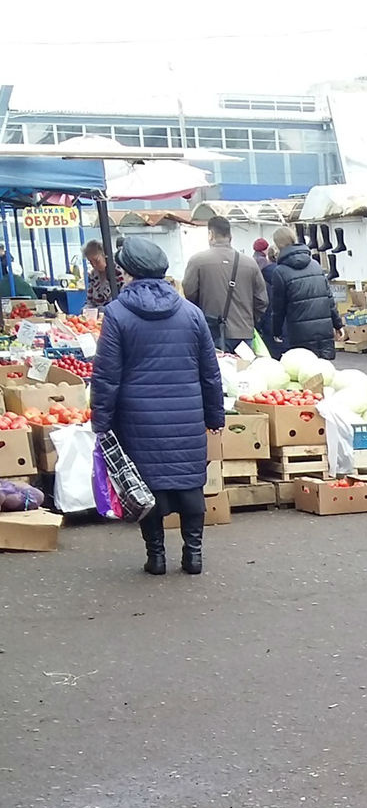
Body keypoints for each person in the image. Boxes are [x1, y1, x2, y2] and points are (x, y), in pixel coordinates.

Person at [91, 237, 224, 577]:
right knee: (190, 483)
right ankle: (193, 555)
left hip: (138, 417)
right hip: (186, 415)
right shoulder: (191, 313)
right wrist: (214, 416)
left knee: (147, 486)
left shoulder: (118, 313)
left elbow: (106, 375)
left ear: (128, 271)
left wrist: (101, 421)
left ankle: (157, 557)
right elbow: (210, 372)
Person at [182, 215, 267, 351]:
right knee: (245, 370)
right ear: (230, 236)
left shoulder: (197, 261)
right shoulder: (250, 263)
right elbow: (262, 300)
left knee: (218, 371)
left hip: (211, 332)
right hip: (244, 332)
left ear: (210, 234)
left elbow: (190, 295)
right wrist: (248, 319)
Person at [269, 227, 343, 361]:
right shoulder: (315, 265)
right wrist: (338, 325)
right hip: (323, 329)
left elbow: (278, 308)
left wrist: (277, 332)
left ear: (277, 244)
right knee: (325, 373)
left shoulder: (280, 272)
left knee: (305, 372)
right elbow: (329, 299)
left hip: (299, 332)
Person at [83, 239, 115, 308]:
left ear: (104, 256)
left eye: (97, 260)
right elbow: (89, 300)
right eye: (91, 262)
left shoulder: (117, 272)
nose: (94, 265)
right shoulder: (93, 275)